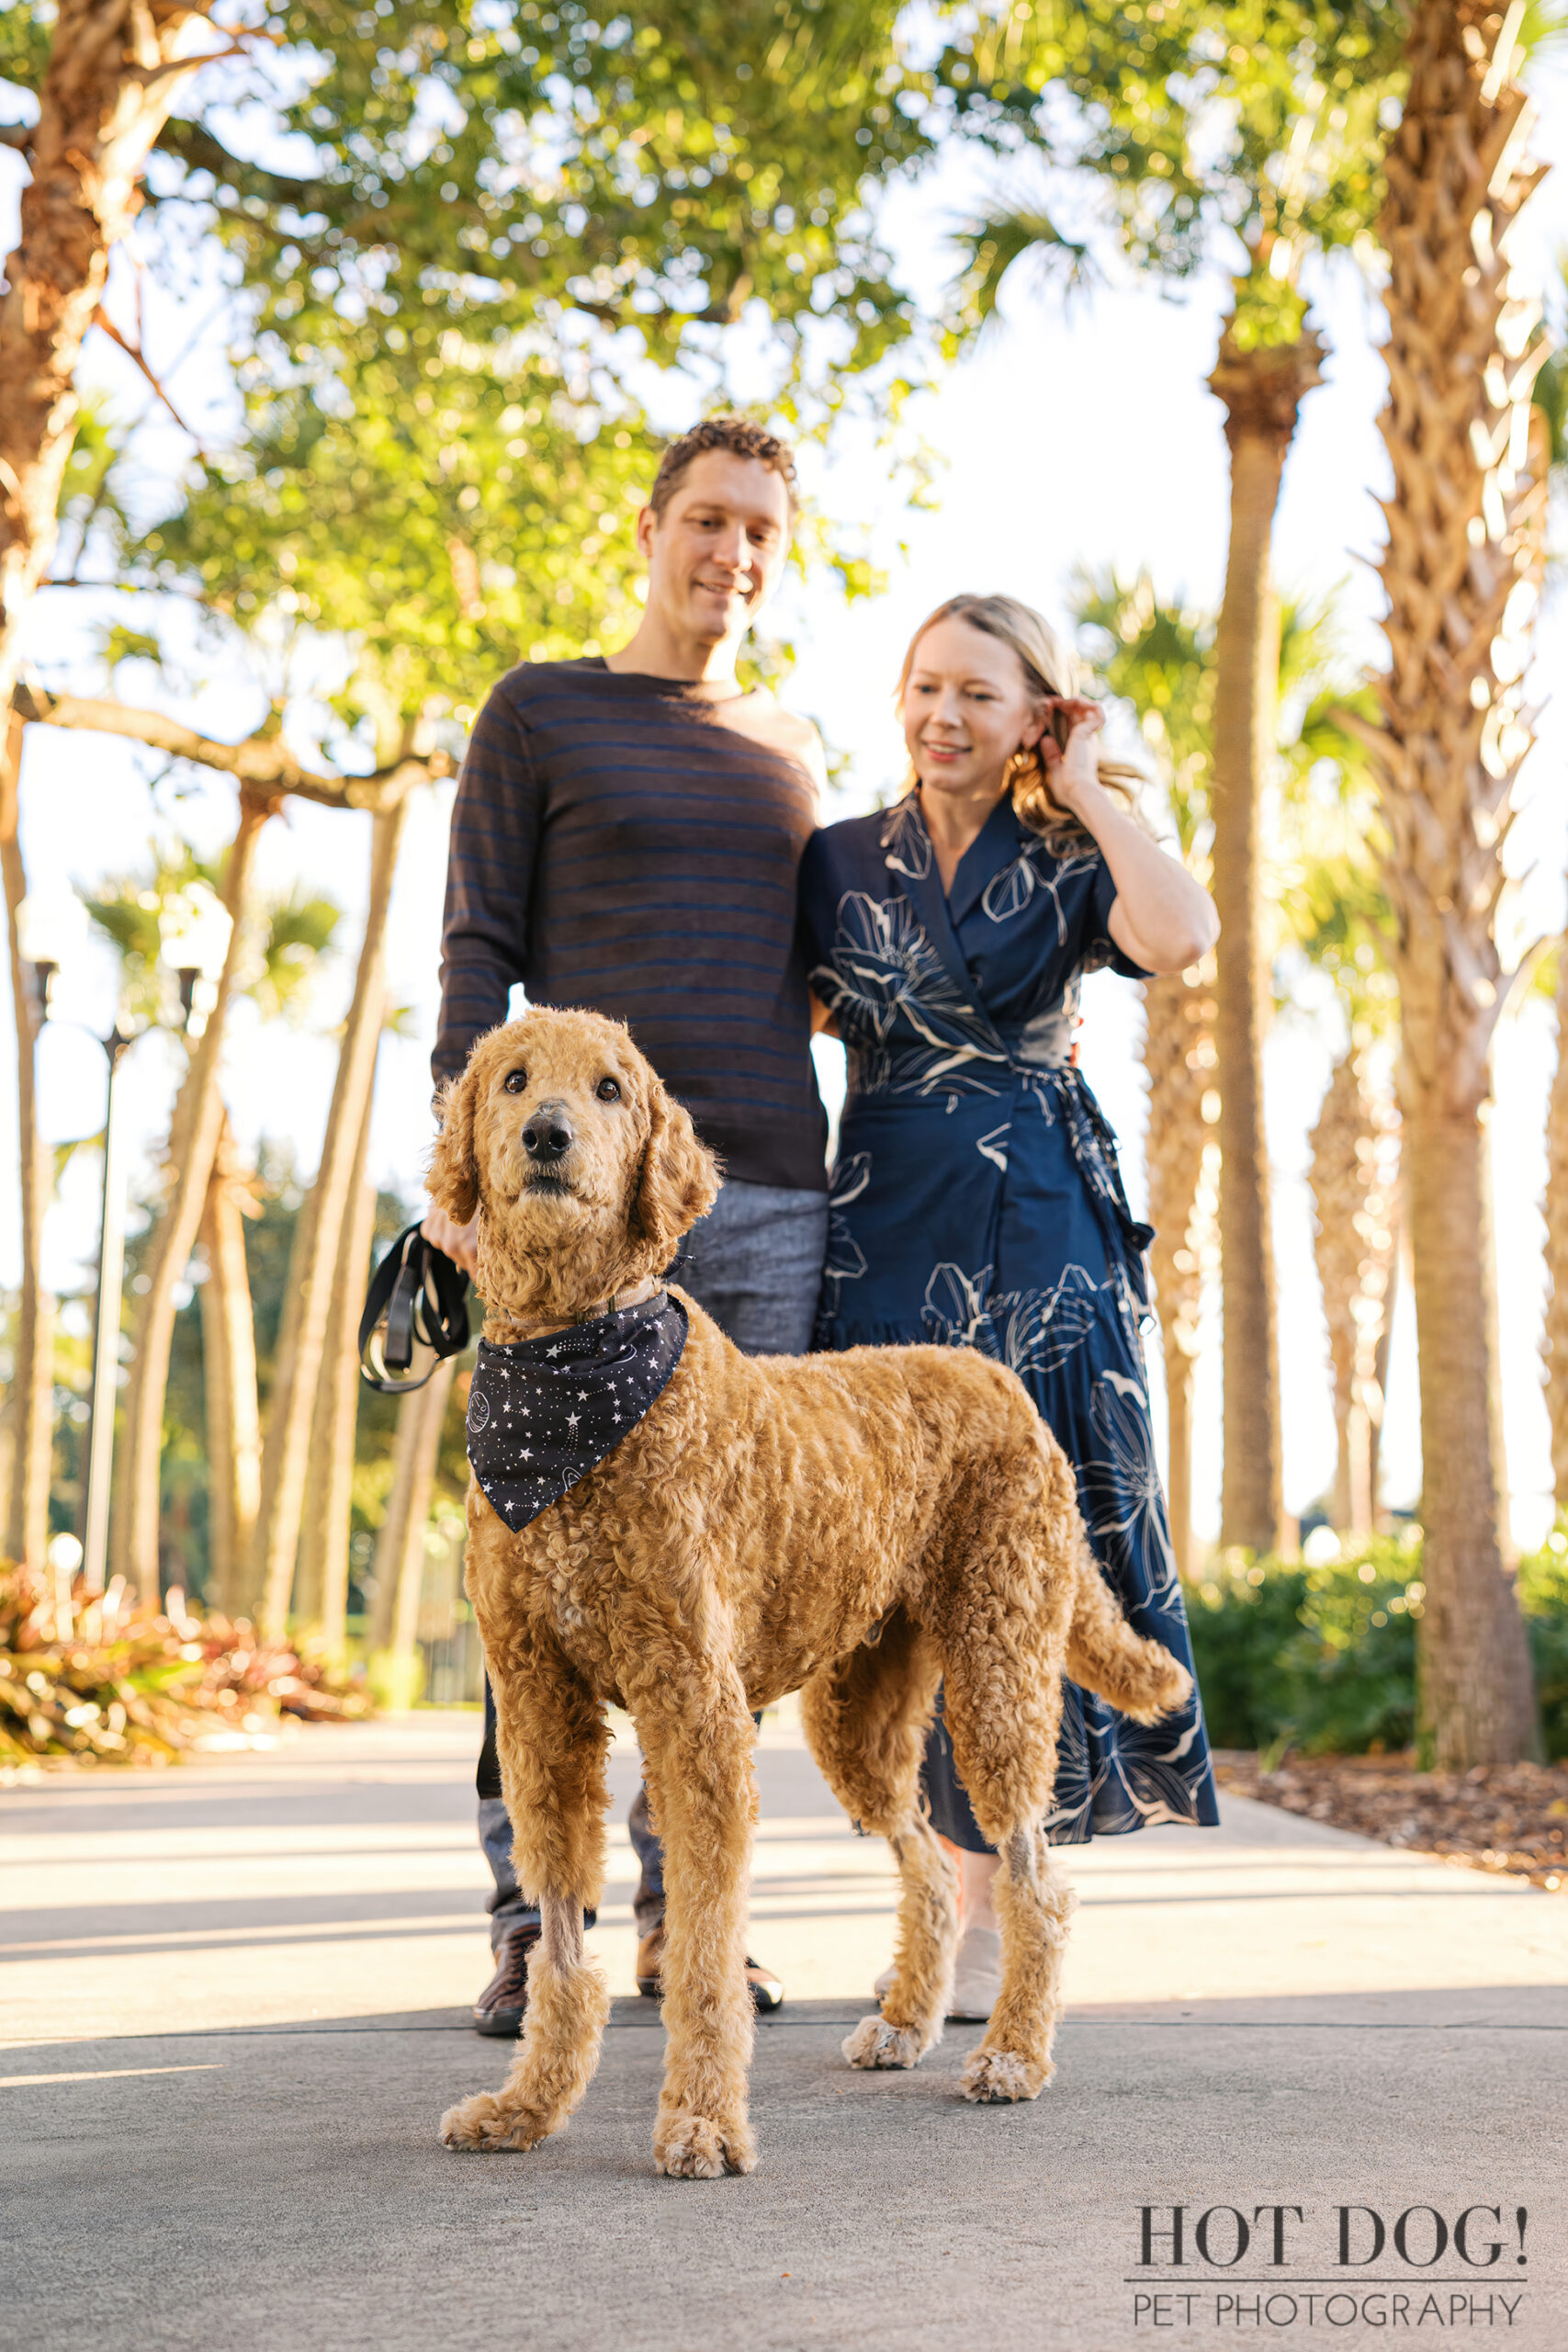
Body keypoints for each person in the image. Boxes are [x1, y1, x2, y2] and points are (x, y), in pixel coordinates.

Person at [425, 417, 830, 2036]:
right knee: (533, 1573)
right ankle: (540, 1919)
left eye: (761, 535)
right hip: (561, 1223)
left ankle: (695, 1924)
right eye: (710, 521)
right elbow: (476, 950)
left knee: (715, 1597)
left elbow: (829, 970)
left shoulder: (790, 746)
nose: (731, 554)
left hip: (764, 1202)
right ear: (652, 524)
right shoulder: (542, 709)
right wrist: (458, 1179)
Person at [798, 592, 1222, 2021]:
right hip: (884, 1237)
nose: (942, 716)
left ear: (1037, 710)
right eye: (924, 687)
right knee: (894, 1569)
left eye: (978, 692)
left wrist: (1094, 793)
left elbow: (1182, 935)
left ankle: (997, 1893)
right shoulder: (840, 861)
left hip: (1039, 1230)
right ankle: (942, 1883)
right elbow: (761, 1014)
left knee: (1030, 1556)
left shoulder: (1067, 852)